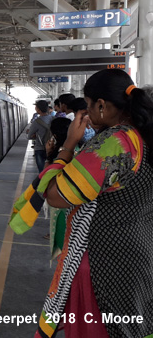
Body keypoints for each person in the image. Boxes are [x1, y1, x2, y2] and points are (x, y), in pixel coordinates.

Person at [9, 69, 153, 338]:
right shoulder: (143, 135)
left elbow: (56, 195)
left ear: (101, 105)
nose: (85, 113)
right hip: (139, 251)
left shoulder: (114, 143)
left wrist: (69, 143)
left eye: (87, 106)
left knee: (100, 329)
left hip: (105, 261)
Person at [27, 100, 52, 172]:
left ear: (38, 109)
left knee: (42, 171)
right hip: (52, 148)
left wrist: (35, 135)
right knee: (51, 171)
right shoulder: (53, 119)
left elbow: (29, 136)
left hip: (40, 148)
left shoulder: (37, 122)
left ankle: (43, 182)